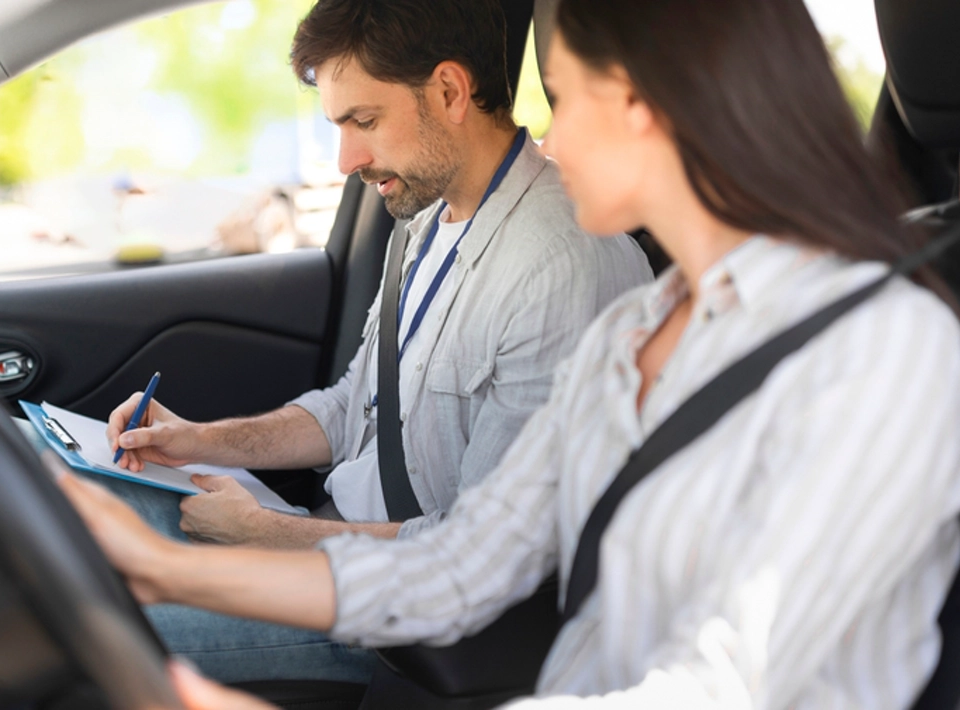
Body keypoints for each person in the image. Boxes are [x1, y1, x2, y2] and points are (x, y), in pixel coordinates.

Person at [73, 0, 960, 706]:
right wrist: (165, 568)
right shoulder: (638, 333)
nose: (550, 138)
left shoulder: (879, 352)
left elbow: (718, 688)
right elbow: (464, 562)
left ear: (644, 104)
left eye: (567, 99)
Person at [88, 0, 653, 687]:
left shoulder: (562, 263)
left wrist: (266, 536)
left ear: (450, 92)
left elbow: (480, 555)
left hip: (395, 623)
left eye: (364, 121)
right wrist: (200, 440)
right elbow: (351, 405)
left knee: (81, 628)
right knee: (74, 531)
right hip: (322, 539)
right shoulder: (425, 219)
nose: (347, 158)